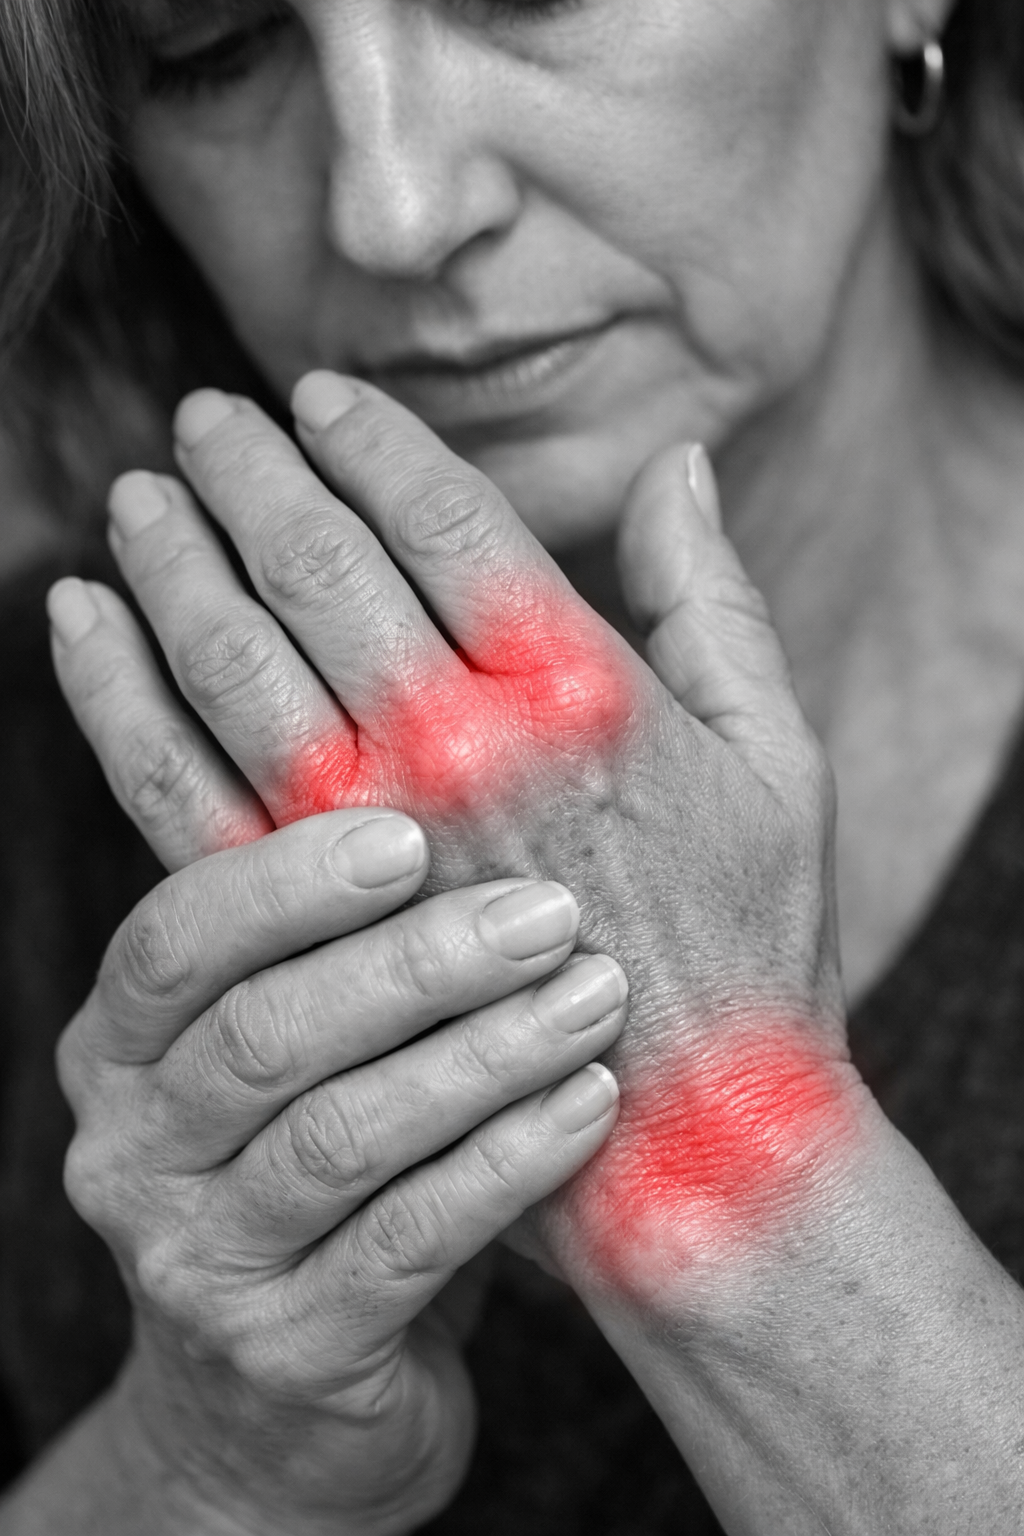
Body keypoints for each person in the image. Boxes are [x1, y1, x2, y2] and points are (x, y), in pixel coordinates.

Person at [2, 0, 1024, 1530]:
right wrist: (197, 1470)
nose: (392, 205)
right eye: (209, 46)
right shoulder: (44, 749)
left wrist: (741, 1174)